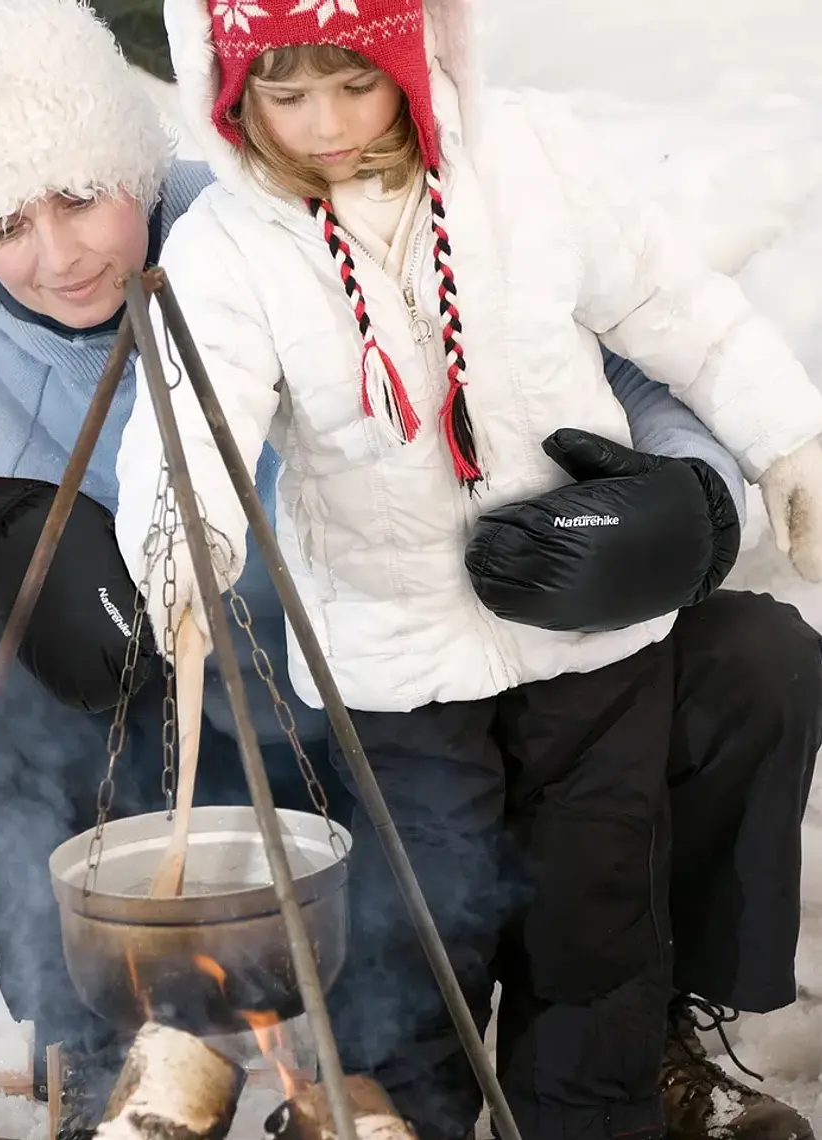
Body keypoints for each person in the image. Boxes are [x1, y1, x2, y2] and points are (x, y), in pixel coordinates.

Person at [0, 1, 819, 1139]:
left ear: (137, 160)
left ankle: (649, 1040)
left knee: (751, 662)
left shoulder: (281, 208)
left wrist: (692, 506)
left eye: (81, 197)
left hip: (444, 680)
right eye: (3, 223)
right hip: (211, 787)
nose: (57, 254)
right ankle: (119, 1067)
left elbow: (618, 354)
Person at [109, 1, 822, 1139]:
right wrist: (180, 544)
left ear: (410, 52)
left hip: (590, 629)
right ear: (234, 91)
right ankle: (411, 1121)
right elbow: (191, 418)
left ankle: (589, 1120)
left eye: (355, 85)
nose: (325, 126)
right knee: (425, 925)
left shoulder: (527, 159)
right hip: (395, 663)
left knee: (596, 912)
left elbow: (673, 306)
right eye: (286, 97)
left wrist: (790, 440)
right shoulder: (231, 245)